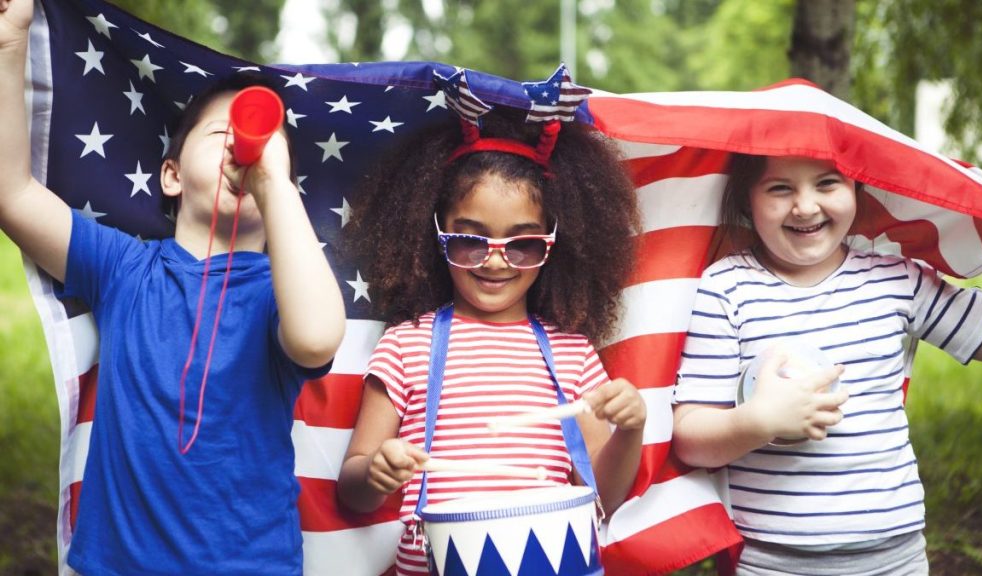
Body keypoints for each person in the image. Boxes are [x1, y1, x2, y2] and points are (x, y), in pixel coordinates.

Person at [0, 1, 346, 573]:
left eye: (263, 141)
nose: (246, 147)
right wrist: (11, 44)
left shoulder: (279, 295)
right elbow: (13, 195)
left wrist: (272, 181)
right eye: (222, 134)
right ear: (172, 174)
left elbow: (315, 339)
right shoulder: (124, 270)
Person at [672, 153, 982, 575]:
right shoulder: (724, 289)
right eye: (779, 188)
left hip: (897, 558)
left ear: (858, 188)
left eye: (827, 183)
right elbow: (690, 438)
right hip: (772, 562)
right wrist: (759, 421)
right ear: (746, 199)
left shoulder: (898, 279)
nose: (805, 206)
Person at [335, 105, 646, 575]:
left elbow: (604, 495)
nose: (495, 263)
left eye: (522, 245)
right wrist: (377, 468)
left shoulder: (573, 354)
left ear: (553, 245)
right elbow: (352, 491)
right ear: (437, 235)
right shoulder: (406, 345)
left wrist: (632, 430)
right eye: (470, 241)